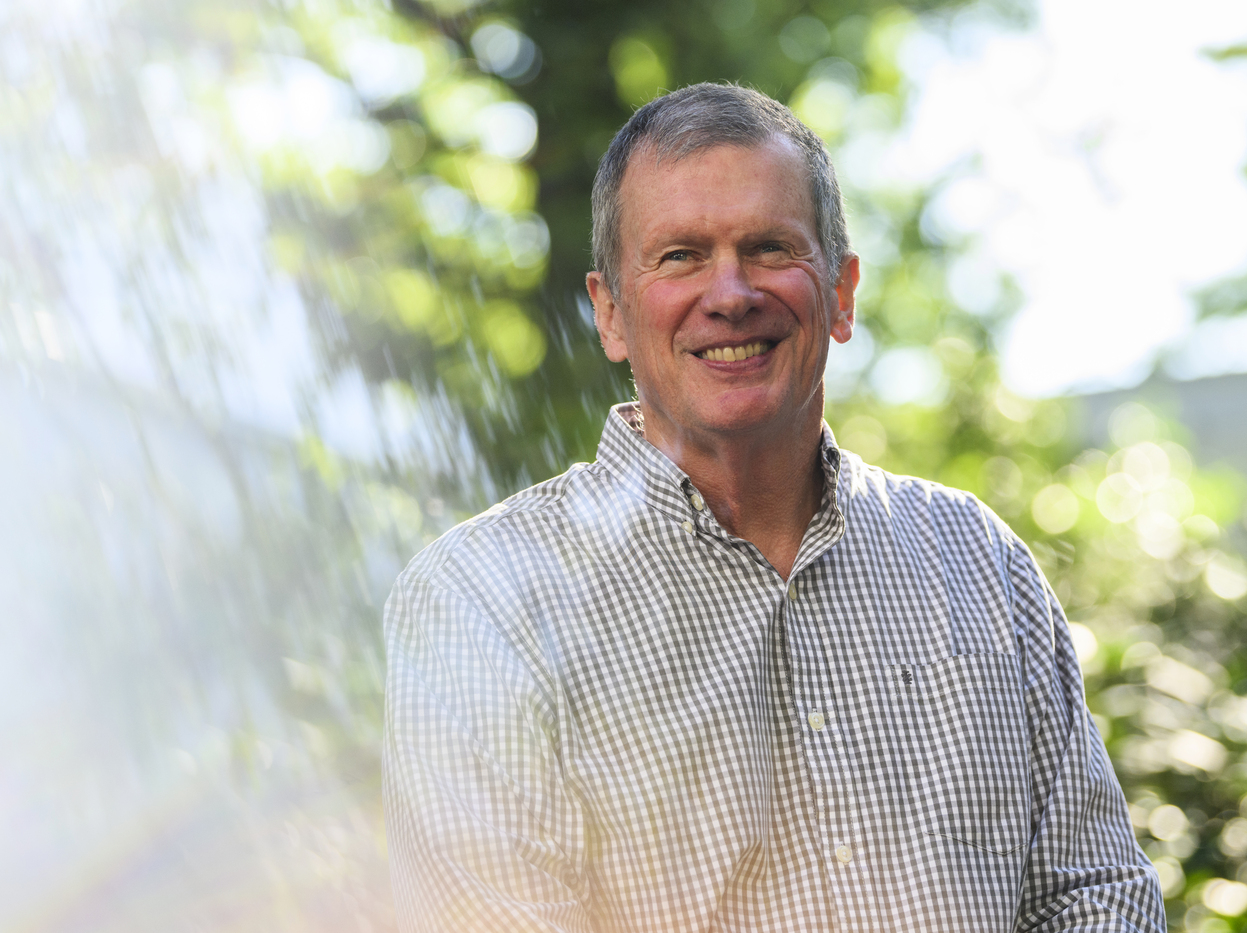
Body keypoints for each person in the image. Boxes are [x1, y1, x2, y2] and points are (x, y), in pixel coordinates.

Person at [382, 83, 1165, 932]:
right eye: (679, 255)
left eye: (768, 248)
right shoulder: (479, 603)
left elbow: (1096, 897)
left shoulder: (981, 564)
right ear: (609, 313)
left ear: (841, 293)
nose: (730, 293)